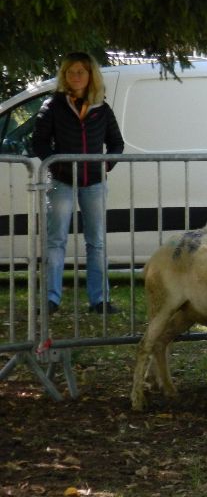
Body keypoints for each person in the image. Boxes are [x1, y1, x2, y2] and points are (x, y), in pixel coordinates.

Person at [32, 52, 124, 315]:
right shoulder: (52, 106)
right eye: (71, 72)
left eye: (81, 72)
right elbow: (38, 142)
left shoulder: (102, 108)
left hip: (94, 184)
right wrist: (55, 163)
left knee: (96, 241)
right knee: (55, 240)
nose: (76, 77)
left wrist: (104, 165)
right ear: (64, 75)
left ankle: (99, 300)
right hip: (61, 182)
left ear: (90, 75)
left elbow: (117, 144)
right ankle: (51, 298)